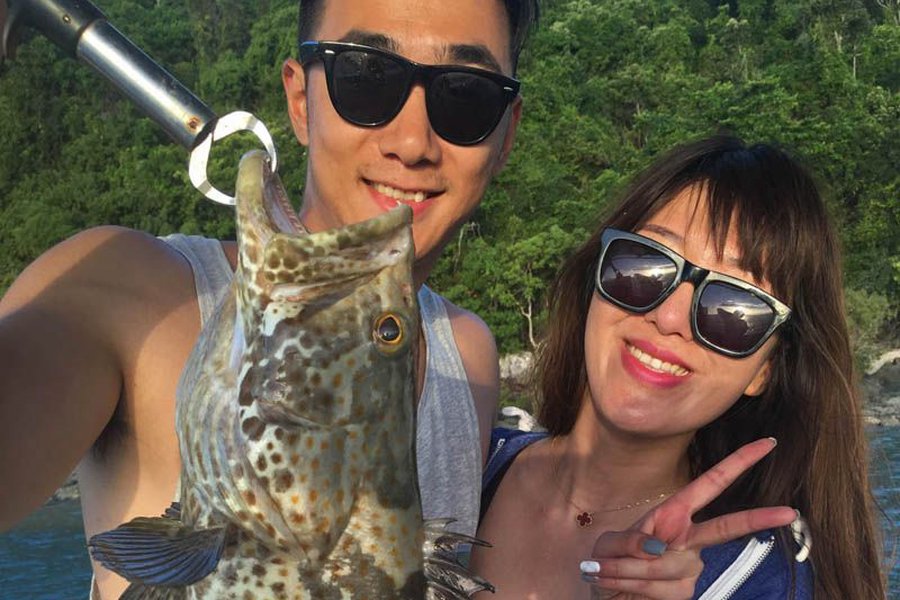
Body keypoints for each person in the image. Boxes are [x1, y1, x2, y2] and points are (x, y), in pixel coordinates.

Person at [0, 0, 539, 597]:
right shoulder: (124, 292)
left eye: (466, 96)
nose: (413, 141)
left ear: (507, 133)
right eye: (365, 78)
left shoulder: (470, 352)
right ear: (302, 100)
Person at [471, 136, 887, 598]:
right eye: (645, 266)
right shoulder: (463, 462)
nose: (669, 318)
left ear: (764, 370)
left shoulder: (763, 579)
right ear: (597, 275)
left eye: (733, 308)